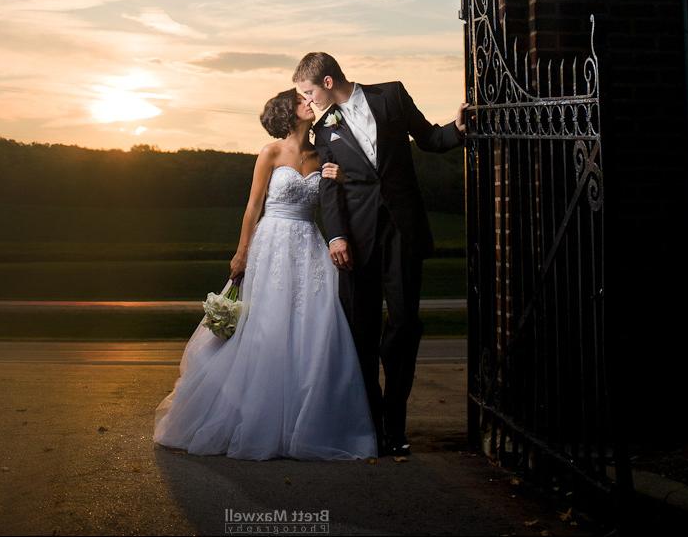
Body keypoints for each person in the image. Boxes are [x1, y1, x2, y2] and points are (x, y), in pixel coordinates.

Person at [153, 88, 378, 461]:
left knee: (314, 327)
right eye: (302, 100)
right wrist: (242, 252)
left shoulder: (324, 154)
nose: (310, 102)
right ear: (288, 112)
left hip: (308, 245)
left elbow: (336, 202)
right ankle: (255, 417)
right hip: (271, 244)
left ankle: (305, 424)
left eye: (310, 99)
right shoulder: (270, 153)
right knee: (265, 327)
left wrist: (340, 179)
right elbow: (252, 207)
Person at [293, 51, 467, 457]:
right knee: (361, 332)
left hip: (402, 232)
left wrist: (458, 128)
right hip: (355, 241)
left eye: (309, 91)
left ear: (329, 82)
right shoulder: (325, 131)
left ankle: (395, 423)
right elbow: (329, 189)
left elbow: (429, 139)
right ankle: (370, 425)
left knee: (405, 325)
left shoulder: (391, 97)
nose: (308, 100)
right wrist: (335, 236)